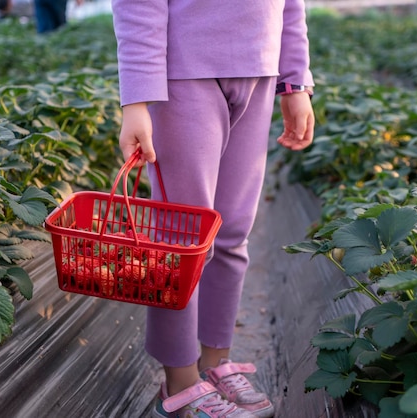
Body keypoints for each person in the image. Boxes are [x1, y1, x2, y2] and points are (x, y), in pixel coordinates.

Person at [111, 1, 315, 417]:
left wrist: (295, 83)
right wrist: (136, 101)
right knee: (182, 239)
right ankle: (180, 383)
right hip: (184, 76)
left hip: (259, 70)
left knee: (233, 231)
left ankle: (214, 362)